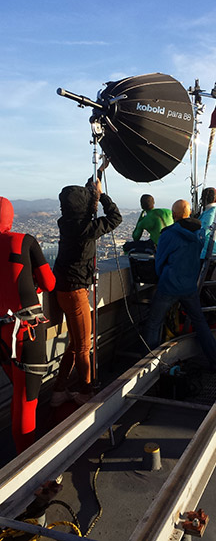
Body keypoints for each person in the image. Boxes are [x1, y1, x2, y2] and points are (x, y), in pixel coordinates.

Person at [52, 173, 122, 407]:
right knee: (84, 347)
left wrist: (91, 194)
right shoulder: (85, 229)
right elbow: (115, 218)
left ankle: (59, 390)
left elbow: (82, 209)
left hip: (63, 289)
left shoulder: (68, 223)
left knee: (74, 345)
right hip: (76, 291)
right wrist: (102, 197)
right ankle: (85, 392)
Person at [0, 197, 56, 453]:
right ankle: (25, 466)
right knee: (26, 400)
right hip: (25, 331)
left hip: (2, 332)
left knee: (17, 392)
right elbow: (49, 284)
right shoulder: (23, 241)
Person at [143, 199, 216, 372]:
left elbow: (159, 262)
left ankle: (149, 368)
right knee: (200, 323)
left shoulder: (169, 234)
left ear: (174, 215)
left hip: (169, 285)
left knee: (154, 324)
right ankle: (215, 361)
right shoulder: (200, 233)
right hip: (189, 287)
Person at [199, 187, 216, 258]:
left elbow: (205, 230)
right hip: (210, 250)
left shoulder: (212, 213)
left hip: (207, 252)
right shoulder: (214, 211)